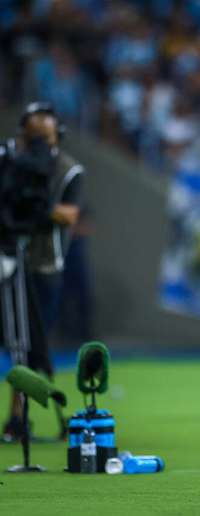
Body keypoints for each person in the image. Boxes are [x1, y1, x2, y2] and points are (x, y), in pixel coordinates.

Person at [0, 101, 84, 440]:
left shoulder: (67, 169)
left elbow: (69, 215)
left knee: (34, 342)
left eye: (47, 136)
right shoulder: (7, 160)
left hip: (44, 262)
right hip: (6, 256)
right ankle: (19, 416)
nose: (41, 144)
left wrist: (38, 206)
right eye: (35, 135)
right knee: (19, 343)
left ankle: (22, 414)